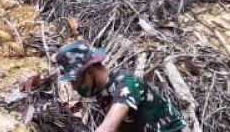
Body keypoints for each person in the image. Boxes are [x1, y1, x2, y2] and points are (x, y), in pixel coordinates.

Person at [55, 41, 185, 132]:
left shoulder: (125, 84)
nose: (73, 88)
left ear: (89, 72)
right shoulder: (103, 94)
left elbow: (109, 127)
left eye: (74, 81)